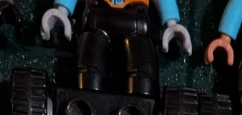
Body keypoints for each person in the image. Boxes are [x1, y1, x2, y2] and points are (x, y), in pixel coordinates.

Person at [40, 0, 190, 96]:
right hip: (97, 18)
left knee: (142, 70)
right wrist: (61, 11)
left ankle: (143, 101)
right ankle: (86, 98)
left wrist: (172, 24)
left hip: (136, 21)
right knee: (90, 65)